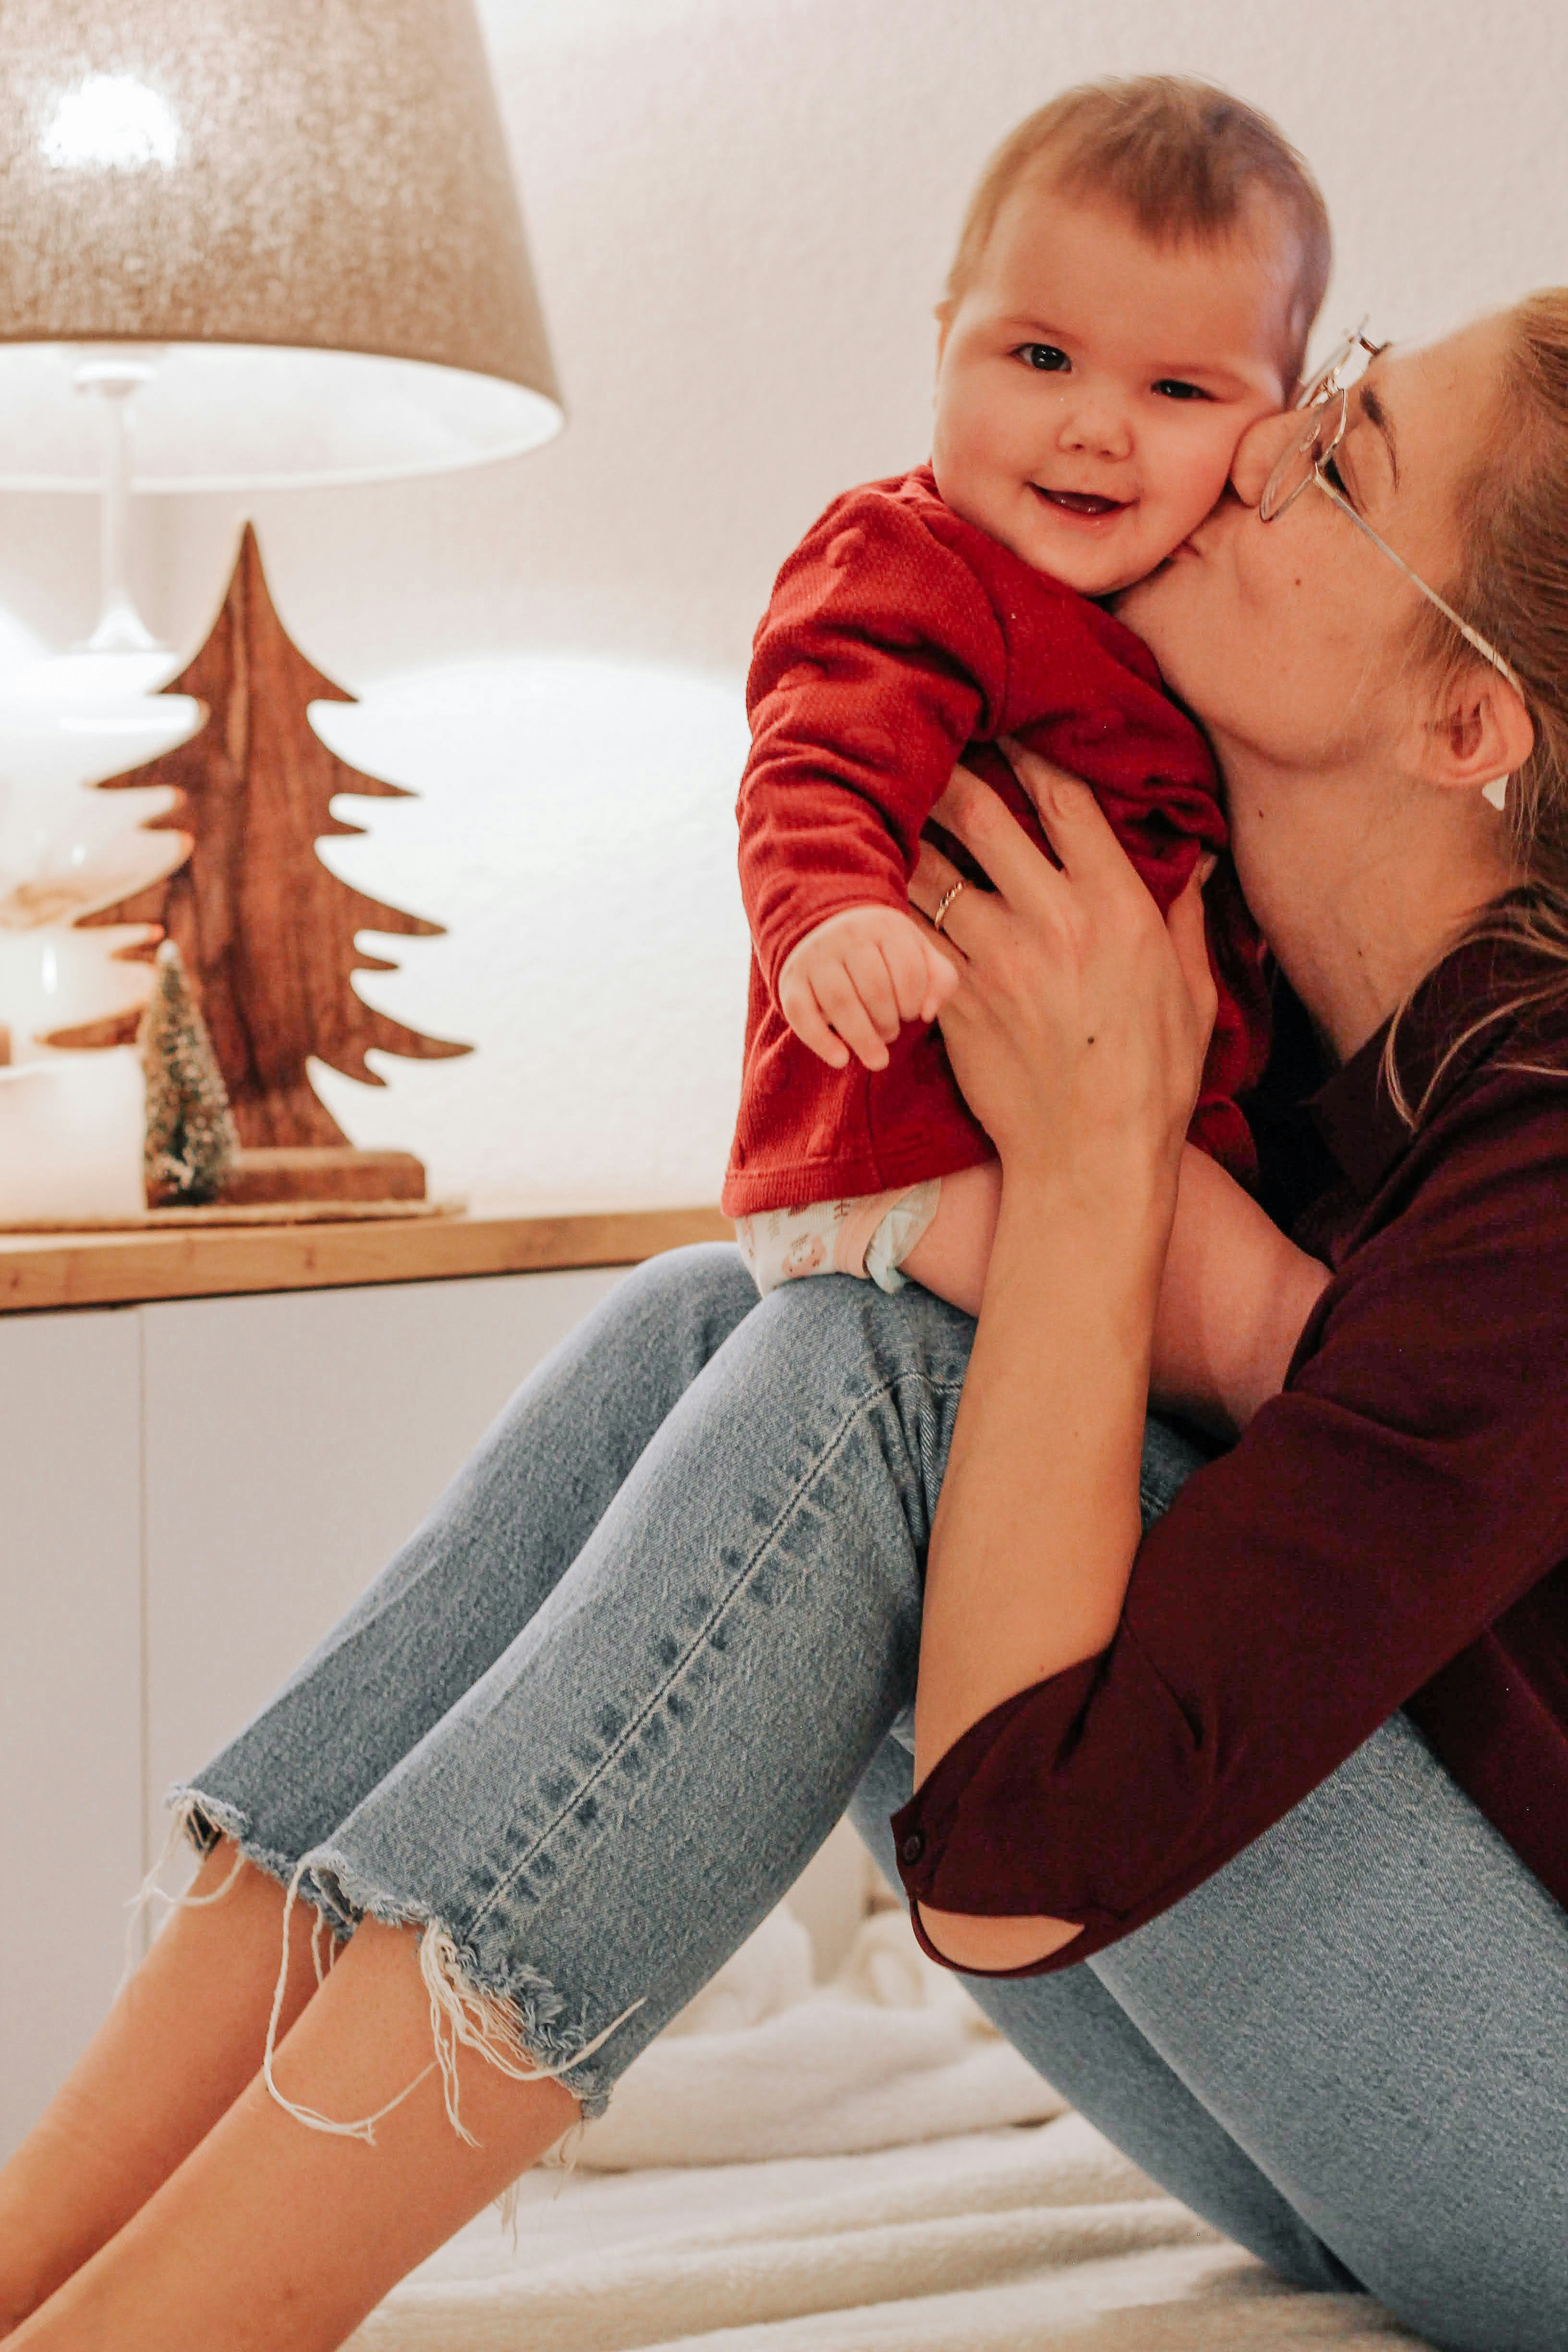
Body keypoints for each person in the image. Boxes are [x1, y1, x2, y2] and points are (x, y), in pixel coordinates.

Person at [3, 295, 1567, 2352]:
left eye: (1345, 459)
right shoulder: (1272, 1042)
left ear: (1467, 725)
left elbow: (1013, 1870)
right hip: (1378, 2116)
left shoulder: (1540, 1183)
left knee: (885, 1379)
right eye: (1333, 376)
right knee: (714, 1315)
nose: (1262, 439)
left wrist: (1098, 1182)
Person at [727, 77, 1328, 1315]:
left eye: (1180, 391)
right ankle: (1346, 1418)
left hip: (1057, 1129)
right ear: (945, 342)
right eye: (1041, 357)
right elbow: (814, 753)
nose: (1097, 427)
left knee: (1230, 1258)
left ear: (1271, 431)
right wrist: (832, 913)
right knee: (1269, 1319)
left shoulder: (1192, 620)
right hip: (915, 1140)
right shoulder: (915, 562)